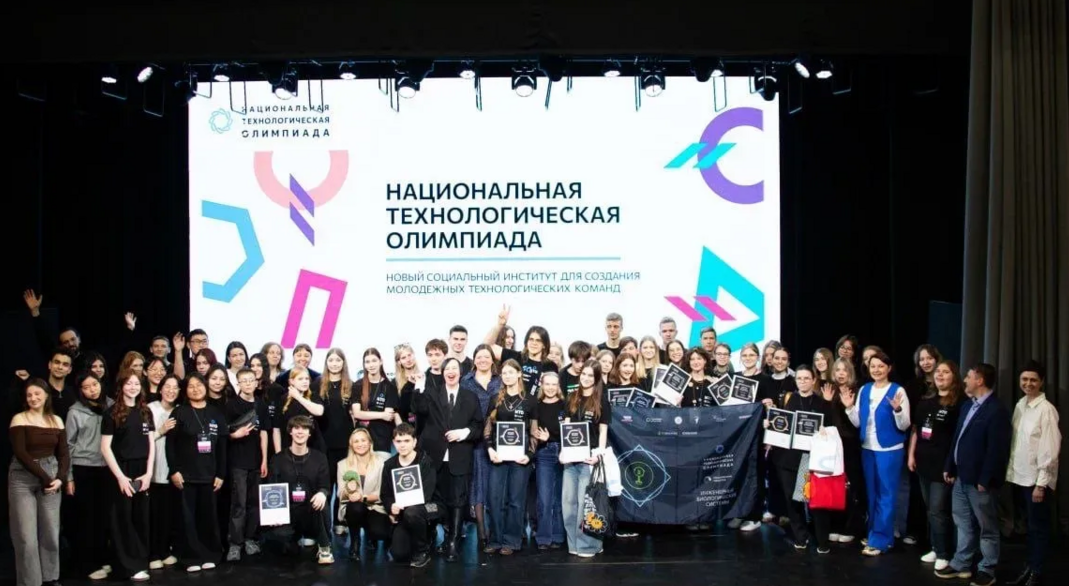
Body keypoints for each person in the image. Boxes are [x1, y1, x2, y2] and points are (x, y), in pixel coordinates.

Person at [936, 363, 1012, 586]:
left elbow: (997, 449)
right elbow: (957, 438)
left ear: (980, 380)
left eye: (969, 377)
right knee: (963, 522)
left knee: (987, 526)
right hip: (961, 476)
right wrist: (950, 465)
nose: (965, 380)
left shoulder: (996, 410)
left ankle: (987, 568)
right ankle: (962, 562)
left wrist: (985, 479)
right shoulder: (968, 405)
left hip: (980, 481)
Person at [411, 357, 483, 562]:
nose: (451, 372)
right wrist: (419, 385)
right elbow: (418, 409)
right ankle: (433, 537)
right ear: (442, 373)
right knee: (436, 499)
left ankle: (453, 541)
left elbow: (478, 426)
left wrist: (463, 433)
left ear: (461, 372)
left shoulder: (470, 397)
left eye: (454, 368)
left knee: (458, 500)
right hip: (435, 457)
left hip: (460, 456)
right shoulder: (432, 392)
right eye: (447, 369)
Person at [842, 351, 910, 556]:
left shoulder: (898, 390)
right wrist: (849, 408)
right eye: (873, 366)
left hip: (889, 450)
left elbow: (905, 424)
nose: (877, 370)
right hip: (868, 448)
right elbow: (858, 422)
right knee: (871, 494)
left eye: (881, 366)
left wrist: (898, 410)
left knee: (886, 495)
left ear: (889, 368)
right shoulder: (865, 390)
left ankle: (881, 540)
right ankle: (875, 535)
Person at [9, 378, 69, 586]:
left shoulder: (56, 420)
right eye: (29, 395)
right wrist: (45, 477)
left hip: (51, 473)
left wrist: (60, 478)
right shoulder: (19, 419)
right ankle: (30, 581)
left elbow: (64, 454)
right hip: (23, 476)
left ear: (46, 396)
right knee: (26, 535)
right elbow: (21, 453)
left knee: (51, 531)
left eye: (37, 394)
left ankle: (49, 577)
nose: (33, 398)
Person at [1004, 361, 1060, 586]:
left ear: (1042, 382)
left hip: (1036, 482)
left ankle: (1036, 570)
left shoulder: (1046, 410)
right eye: (1025, 379)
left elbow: (1050, 450)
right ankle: (1029, 567)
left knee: (1038, 528)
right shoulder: (1021, 405)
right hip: (1019, 477)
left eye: (1033, 380)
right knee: (1028, 527)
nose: (1028, 383)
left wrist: (1041, 484)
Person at [908, 359, 963, 571]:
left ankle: (944, 553)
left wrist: (952, 465)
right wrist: (911, 455)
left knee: (938, 510)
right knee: (930, 509)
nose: (940, 375)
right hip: (924, 463)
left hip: (943, 466)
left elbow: (958, 437)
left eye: (945, 372)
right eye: (938, 372)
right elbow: (916, 430)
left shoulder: (958, 404)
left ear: (954, 376)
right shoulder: (926, 401)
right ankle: (935, 546)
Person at [100, 373, 155, 582]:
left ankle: (140, 561)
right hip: (121, 469)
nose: (133, 387)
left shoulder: (145, 411)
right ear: (121, 386)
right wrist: (121, 478)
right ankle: (127, 566)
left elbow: (151, 445)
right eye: (129, 383)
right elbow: (105, 448)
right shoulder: (112, 412)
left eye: (136, 383)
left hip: (143, 470)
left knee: (141, 517)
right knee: (122, 519)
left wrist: (149, 473)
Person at [264, 415, 335, 565]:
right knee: (282, 543)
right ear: (290, 432)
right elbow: (272, 488)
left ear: (310, 433)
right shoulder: (277, 459)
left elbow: (325, 486)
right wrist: (273, 513)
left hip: (311, 511)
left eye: (304, 428)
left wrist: (322, 493)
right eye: (296, 428)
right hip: (288, 512)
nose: (300, 432)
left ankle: (324, 546)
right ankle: (293, 540)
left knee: (322, 502)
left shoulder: (320, 458)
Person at [380, 423, 438, 568]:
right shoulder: (389, 465)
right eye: (398, 441)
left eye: (407, 440)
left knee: (412, 512)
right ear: (393, 442)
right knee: (399, 553)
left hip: (431, 506)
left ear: (414, 442)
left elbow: (427, 494)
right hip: (405, 512)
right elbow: (385, 494)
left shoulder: (425, 461)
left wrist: (403, 506)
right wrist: (391, 506)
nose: (402, 445)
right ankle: (418, 533)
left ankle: (423, 550)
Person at [337, 428, 389, 560]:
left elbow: (384, 492)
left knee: (380, 532)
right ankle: (355, 542)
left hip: (375, 506)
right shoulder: (342, 465)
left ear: (370, 442)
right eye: (356, 441)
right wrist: (349, 493)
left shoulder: (382, 463)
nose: (360, 444)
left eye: (363, 440)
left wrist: (363, 497)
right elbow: (340, 493)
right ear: (351, 445)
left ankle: (370, 534)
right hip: (354, 507)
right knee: (355, 507)